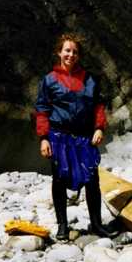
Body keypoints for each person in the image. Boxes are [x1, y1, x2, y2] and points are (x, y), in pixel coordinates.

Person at [34, 33, 117, 240]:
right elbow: (42, 110)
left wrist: (99, 128)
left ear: (78, 55)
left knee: (92, 179)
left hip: (83, 137)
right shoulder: (49, 80)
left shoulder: (89, 79)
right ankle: (62, 225)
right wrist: (43, 138)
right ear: (59, 53)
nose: (71, 54)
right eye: (67, 50)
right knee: (59, 179)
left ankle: (97, 224)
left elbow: (98, 105)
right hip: (58, 137)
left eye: (75, 51)